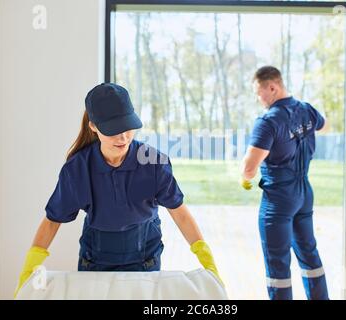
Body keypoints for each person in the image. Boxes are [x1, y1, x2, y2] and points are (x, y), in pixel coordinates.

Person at [14, 83, 222, 297]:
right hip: (95, 261)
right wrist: (29, 268)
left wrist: (205, 257)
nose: (123, 138)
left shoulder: (154, 163)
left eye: (127, 127)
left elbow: (180, 214)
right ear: (93, 126)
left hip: (145, 259)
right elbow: (52, 221)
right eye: (113, 130)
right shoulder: (78, 168)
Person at [241, 66, 329, 300]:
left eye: (258, 93)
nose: (258, 98)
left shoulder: (268, 122)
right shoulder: (307, 110)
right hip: (304, 193)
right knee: (310, 255)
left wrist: (245, 174)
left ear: (272, 87)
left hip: (279, 199)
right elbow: (324, 125)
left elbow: (249, 169)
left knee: (277, 265)